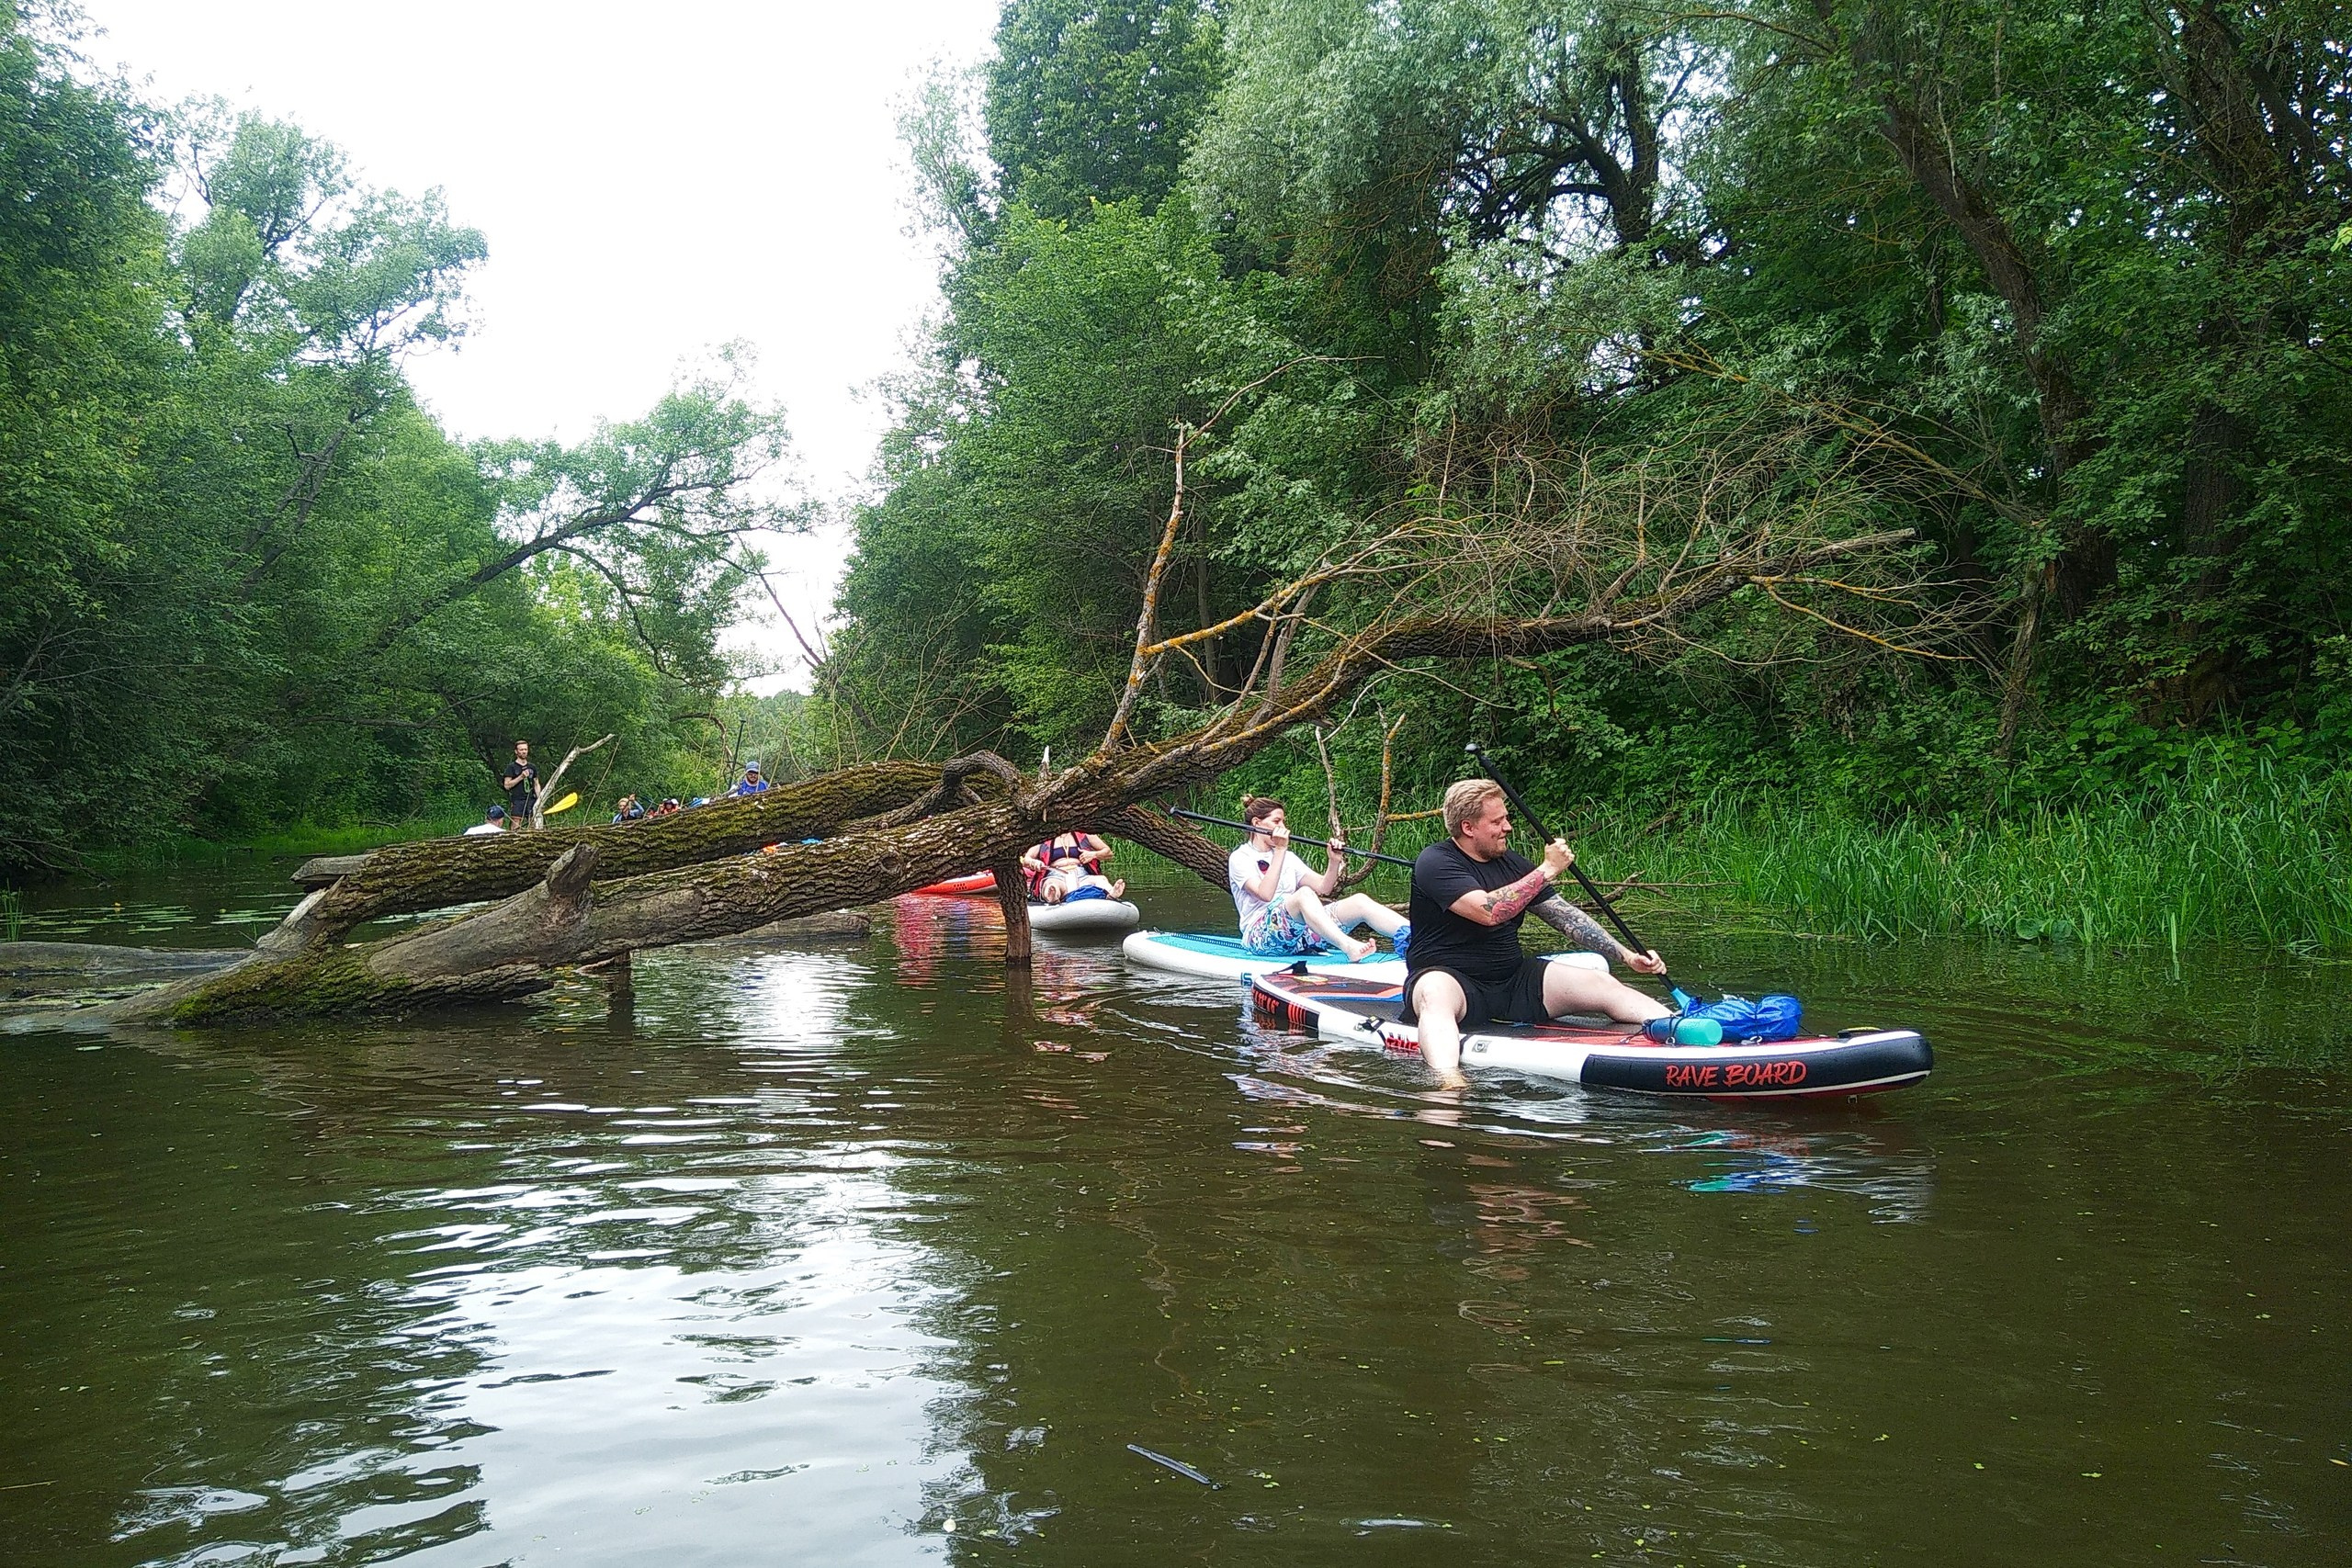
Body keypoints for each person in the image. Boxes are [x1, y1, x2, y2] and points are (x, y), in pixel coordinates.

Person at [1403, 778, 1670, 1087]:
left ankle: (1679, 1027)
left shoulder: (1512, 862)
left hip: (1512, 978)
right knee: (1434, 992)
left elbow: (1564, 915)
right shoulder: (1435, 862)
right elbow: (1489, 911)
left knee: (1598, 981)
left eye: (1507, 818)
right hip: (1452, 980)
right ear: (1468, 828)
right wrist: (1547, 869)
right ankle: (1448, 1080)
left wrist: (1624, 954)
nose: (1507, 827)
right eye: (1497, 821)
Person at [1227, 795, 1408, 962]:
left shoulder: (1288, 857)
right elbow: (1265, 894)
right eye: (1276, 821)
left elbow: (1323, 888)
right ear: (1257, 823)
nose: (1283, 827)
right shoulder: (1240, 857)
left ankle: (1418, 937)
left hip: (1300, 935)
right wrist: (1280, 851)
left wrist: (1334, 860)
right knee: (1303, 894)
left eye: (1283, 821)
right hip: (1260, 937)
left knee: (1359, 901)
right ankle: (1349, 946)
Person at [1020, 829, 1125, 904]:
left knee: (1101, 879)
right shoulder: (1043, 836)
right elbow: (1026, 860)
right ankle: (1053, 896)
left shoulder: (1085, 833)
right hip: (1056, 875)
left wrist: (1093, 854)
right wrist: (1034, 863)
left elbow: (1108, 852)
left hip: (1081, 874)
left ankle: (1112, 893)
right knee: (1051, 884)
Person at [500, 741, 538, 828]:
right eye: (521, 750)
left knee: (533, 822)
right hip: (517, 800)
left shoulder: (532, 767)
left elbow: (536, 784)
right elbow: (507, 785)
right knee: (516, 824)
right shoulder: (511, 767)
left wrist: (539, 798)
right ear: (516, 752)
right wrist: (521, 777)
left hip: (531, 799)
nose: (524, 752)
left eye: (525, 749)